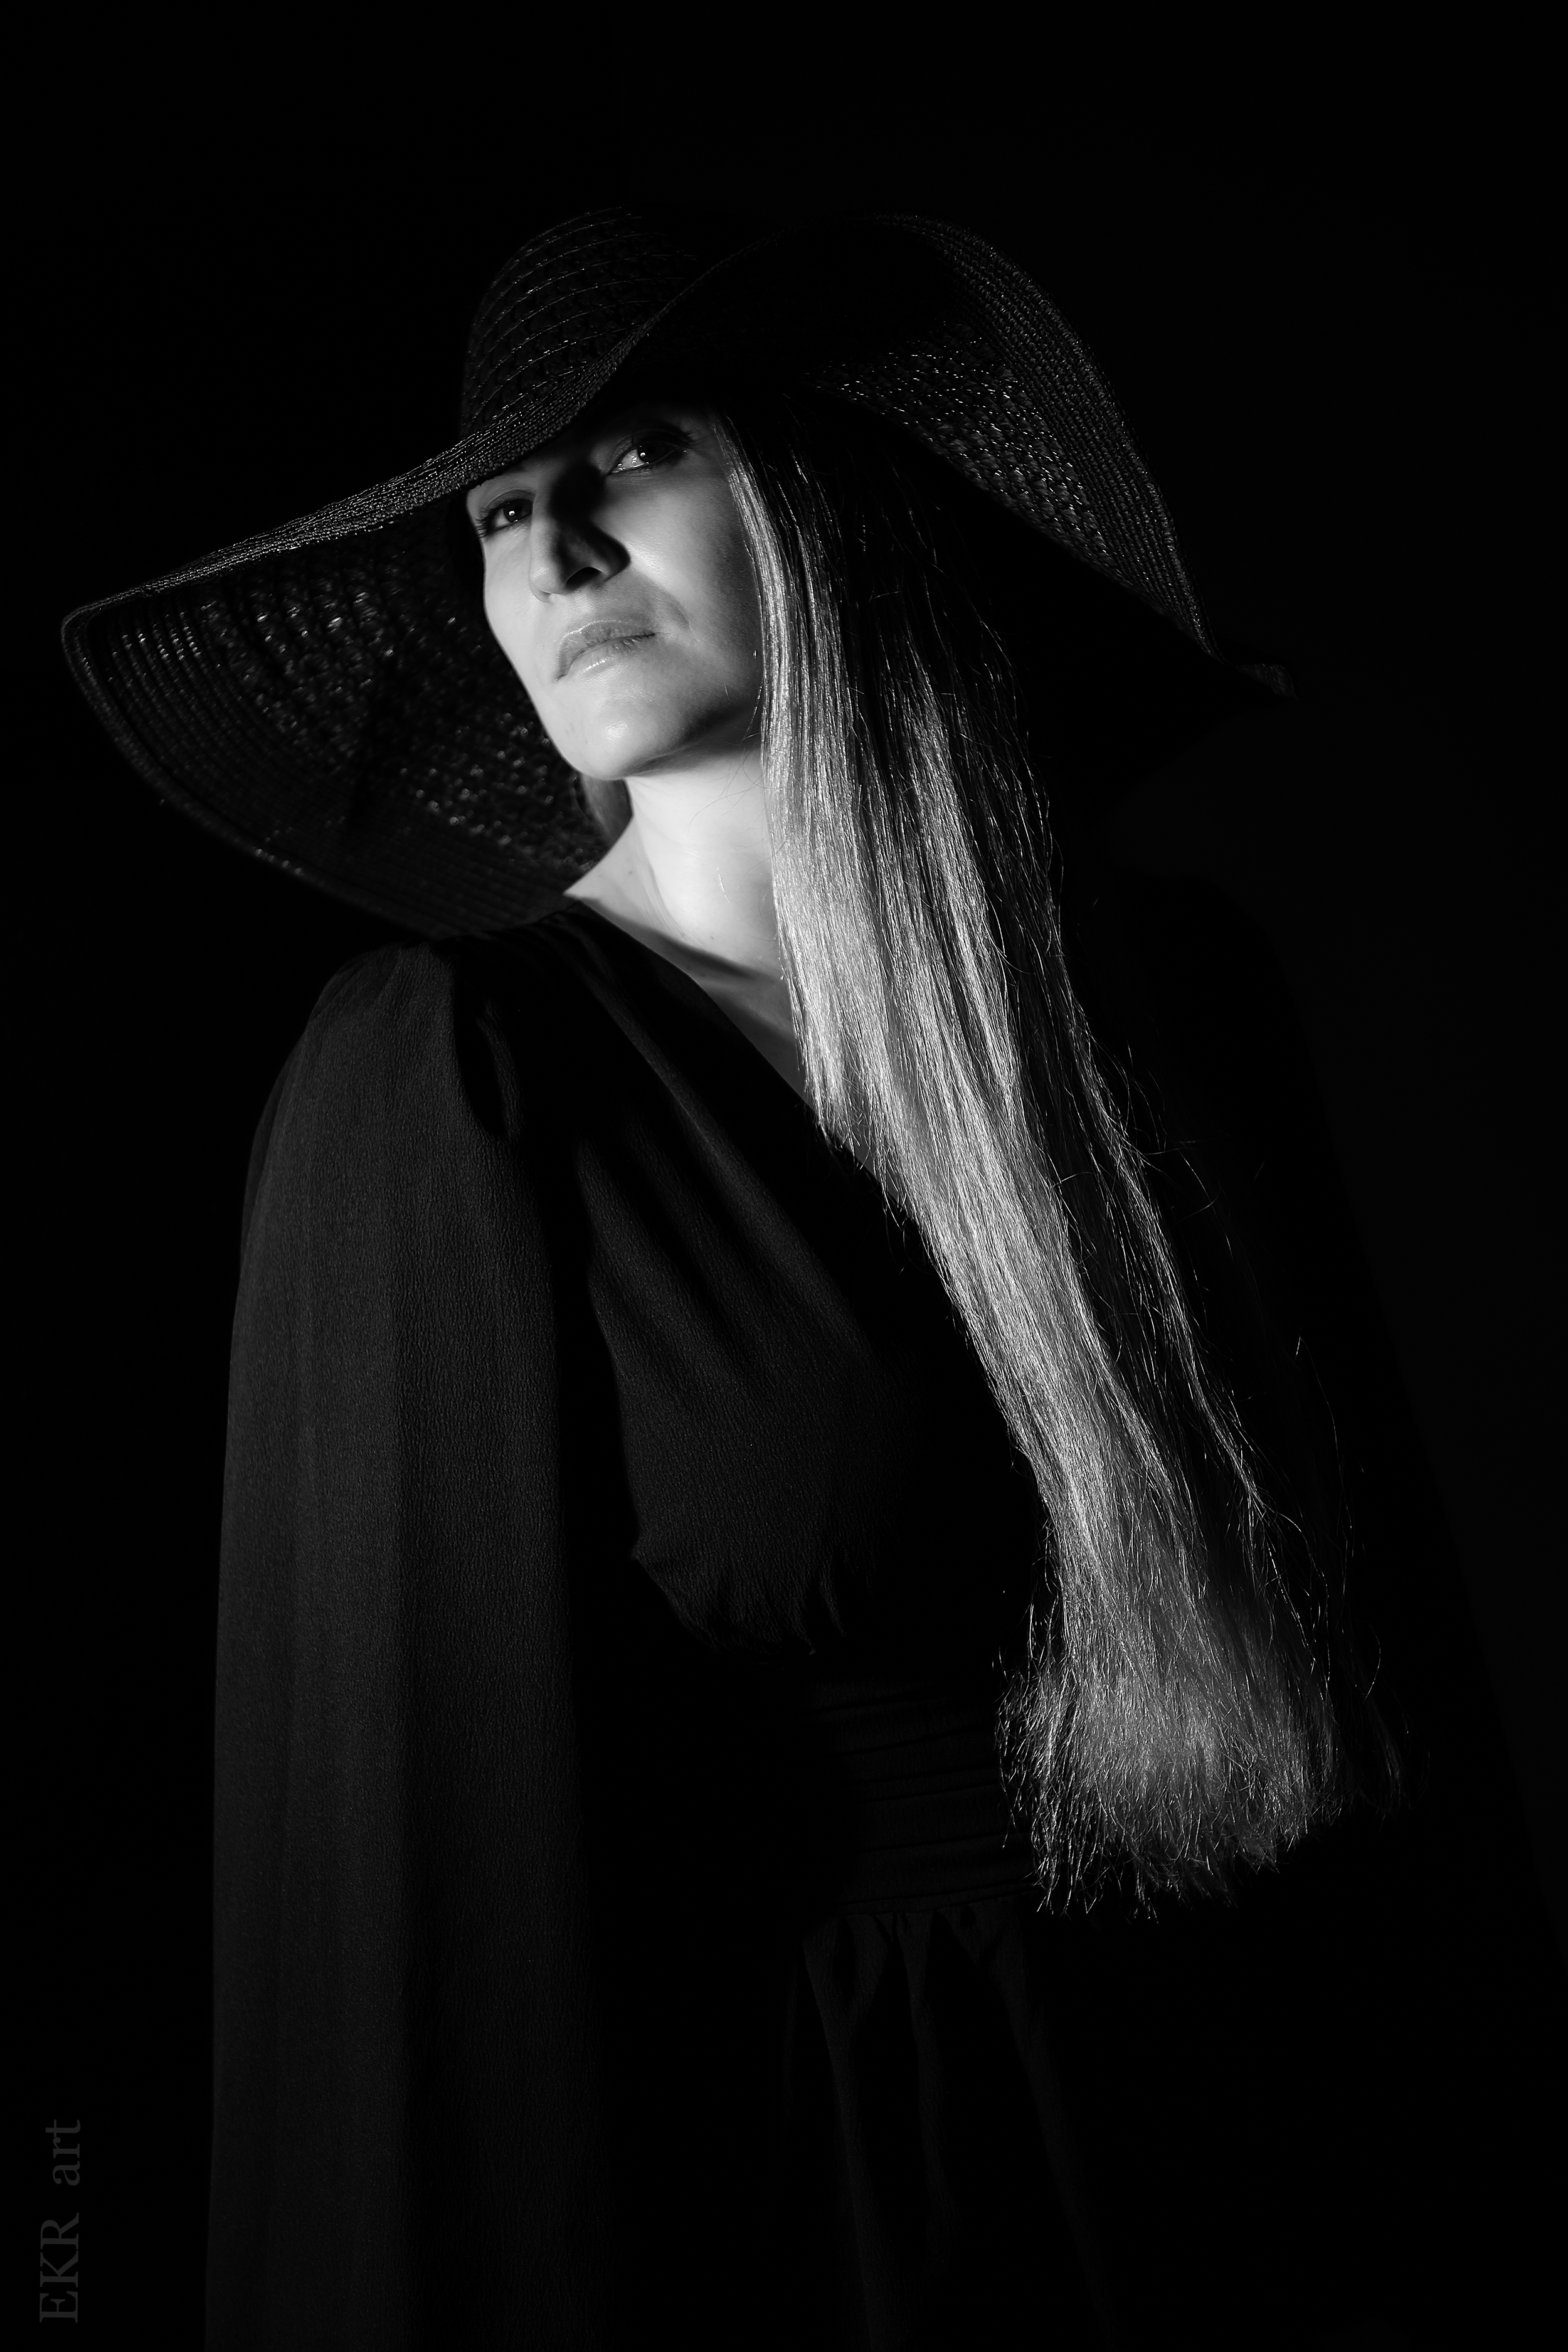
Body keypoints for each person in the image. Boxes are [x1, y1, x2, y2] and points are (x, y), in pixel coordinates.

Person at [65, 208, 1405, 2348]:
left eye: (632, 454)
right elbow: (417, 1906)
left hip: (1272, 2154)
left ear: (819, 495)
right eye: (500, 514)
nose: (555, 552)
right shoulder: (457, 1077)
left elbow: (1390, 1691)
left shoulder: (1181, 1013)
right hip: (828, 2208)